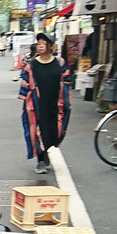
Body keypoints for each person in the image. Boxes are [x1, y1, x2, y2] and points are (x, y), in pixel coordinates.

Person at [20, 32, 71, 174]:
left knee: (55, 130)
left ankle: (47, 149)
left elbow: (67, 79)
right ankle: (41, 160)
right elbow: (25, 83)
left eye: (43, 44)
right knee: (37, 130)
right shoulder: (32, 65)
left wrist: (64, 96)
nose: (40, 46)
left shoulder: (59, 62)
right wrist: (26, 101)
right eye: (39, 44)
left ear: (50, 46)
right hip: (37, 104)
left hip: (55, 102)